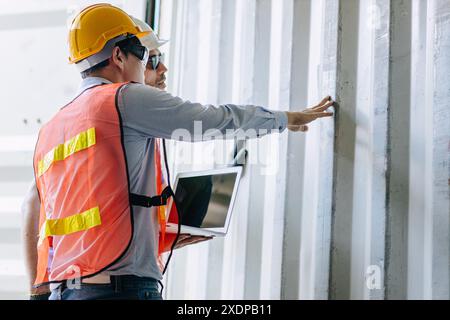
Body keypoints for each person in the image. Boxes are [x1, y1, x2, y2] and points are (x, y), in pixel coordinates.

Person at [22, 4, 334, 301]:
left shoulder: (52, 128)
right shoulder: (124, 98)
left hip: (65, 290)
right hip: (119, 290)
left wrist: (39, 290)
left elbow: (45, 210)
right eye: (144, 55)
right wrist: (285, 119)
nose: (148, 67)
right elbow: (213, 120)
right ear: (118, 55)